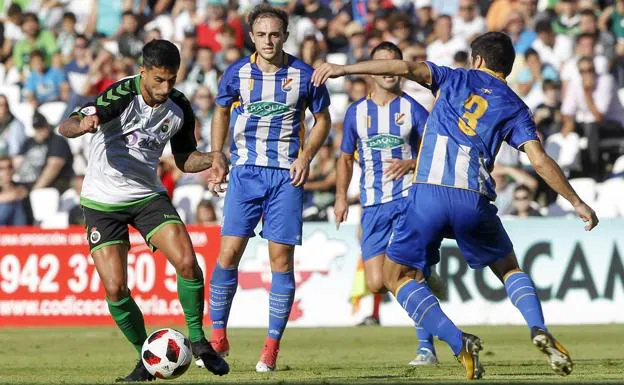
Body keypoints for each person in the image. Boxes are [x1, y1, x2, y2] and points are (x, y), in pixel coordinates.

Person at [312, 31, 598, 380]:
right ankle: (538, 328)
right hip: (472, 199)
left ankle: (457, 341)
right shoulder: (516, 106)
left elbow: (404, 66)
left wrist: (346, 69)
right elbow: (539, 160)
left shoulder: (455, 77)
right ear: (506, 67)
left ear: (476, 60)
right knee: (508, 269)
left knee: (396, 277)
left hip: (428, 194)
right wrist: (576, 201)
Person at [58, 39, 229, 382]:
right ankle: (145, 359)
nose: (165, 88)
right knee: (116, 288)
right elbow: (68, 124)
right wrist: (83, 126)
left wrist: (213, 157)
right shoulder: (119, 95)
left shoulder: (179, 106)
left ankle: (198, 341)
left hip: (147, 196)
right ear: (143, 72)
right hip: (102, 202)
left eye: (171, 79)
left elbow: (183, 160)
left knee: (186, 261)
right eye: (158, 80)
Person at [205, 4, 331, 373]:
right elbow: (221, 111)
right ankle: (217, 338)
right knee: (228, 254)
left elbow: (322, 121)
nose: (268, 41)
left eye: (274, 34)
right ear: (251, 36)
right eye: (261, 35)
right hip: (245, 173)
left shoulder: (304, 75)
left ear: (285, 35)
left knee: (281, 262)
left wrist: (306, 155)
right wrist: (217, 157)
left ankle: (271, 347)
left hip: (285, 177)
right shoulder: (236, 74)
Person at [334, 41, 443, 366]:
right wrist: (341, 197)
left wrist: (411, 165)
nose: (387, 71)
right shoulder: (357, 113)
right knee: (377, 283)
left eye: (393, 64)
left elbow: (434, 149)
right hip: (372, 205)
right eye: (381, 64)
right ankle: (427, 269)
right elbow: (344, 157)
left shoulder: (413, 109)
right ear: (371, 70)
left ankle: (426, 348)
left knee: (409, 275)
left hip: (409, 201)